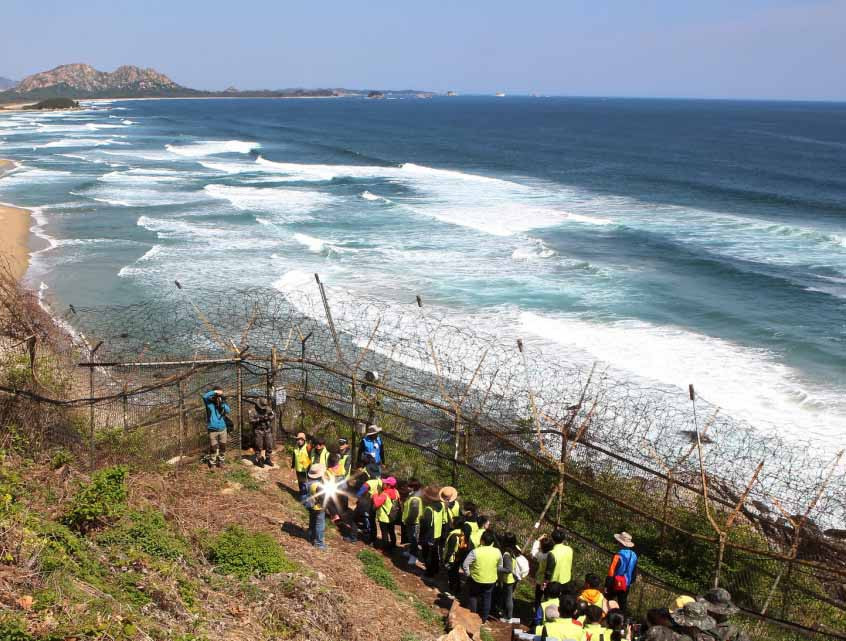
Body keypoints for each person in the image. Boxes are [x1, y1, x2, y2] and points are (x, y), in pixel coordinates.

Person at [462, 529, 502, 623]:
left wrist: (468, 574)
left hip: (476, 579)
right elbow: (500, 566)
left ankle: (472, 616)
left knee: (473, 596)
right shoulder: (497, 552)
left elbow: (465, 564)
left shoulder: (475, 552)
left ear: (482, 540)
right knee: (487, 598)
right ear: (492, 542)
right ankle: (483, 619)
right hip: (491, 580)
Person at [607, 531, 638, 614]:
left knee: (607, 600)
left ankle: (605, 617)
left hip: (615, 583)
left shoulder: (617, 556)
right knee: (622, 604)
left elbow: (611, 572)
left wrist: (607, 585)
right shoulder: (634, 555)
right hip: (626, 584)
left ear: (619, 543)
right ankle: (623, 621)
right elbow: (634, 572)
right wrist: (629, 582)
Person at [495, 531, 522, 622]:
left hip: (509, 579)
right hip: (513, 578)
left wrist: (497, 568)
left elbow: (508, 569)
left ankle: (508, 617)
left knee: (508, 597)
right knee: (507, 596)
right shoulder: (515, 549)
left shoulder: (506, 554)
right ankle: (506, 613)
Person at [419, 485, 445, 577]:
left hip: (429, 535)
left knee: (426, 554)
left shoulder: (429, 510)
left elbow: (425, 526)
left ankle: (429, 572)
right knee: (434, 553)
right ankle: (436, 569)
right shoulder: (441, 505)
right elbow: (443, 520)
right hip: (437, 534)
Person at [202, 389, 231, 468]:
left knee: (223, 446)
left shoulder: (222, 404)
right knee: (213, 447)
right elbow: (204, 396)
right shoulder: (209, 404)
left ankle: (221, 461)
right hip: (212, 429)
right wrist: (215, 392)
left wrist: (222, 403)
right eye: (216, 397)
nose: (218, 399)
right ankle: (213, 463)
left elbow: (228, 411)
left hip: (222, 428)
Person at [305, 463, 328, 550]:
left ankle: (311, 535)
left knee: (312, 521)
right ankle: (319, 543)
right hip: (319, 507)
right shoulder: (319, 486)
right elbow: (323, 498)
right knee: (320, 525)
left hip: (310, 505)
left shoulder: (309, 482)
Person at [374, 476, 400, 550]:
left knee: (384, 533)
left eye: (384, 483)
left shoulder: (385, 494)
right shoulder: (396, 492)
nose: (383, 484)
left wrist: (375, 495)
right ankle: (393, 544)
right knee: (392, 531)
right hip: (392, 516)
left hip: (384, 517)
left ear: (389, 485)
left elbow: (377, 503)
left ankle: (385, 548)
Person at [442, 515, 466, 597]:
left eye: (452, 521)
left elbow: (450, 550)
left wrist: (445, 560)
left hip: (452, 559)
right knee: (455, 574)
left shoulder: (453, 535)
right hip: (457, 558)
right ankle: (457, 589)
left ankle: (453, 591)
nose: (450, 522)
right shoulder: (461, 533)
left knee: (452, 575)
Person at [401, 479, 423, 566]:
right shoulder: (412, 496)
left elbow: (414, 513)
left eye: (409, 486)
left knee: (414, 540)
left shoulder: (415, 499)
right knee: (411, 539)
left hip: (413, 522)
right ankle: (410, 552)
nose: (407, 488)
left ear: (413, 488)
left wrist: (407, 521)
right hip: (410, 522)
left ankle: (414, 557)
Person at [249, 397, 275, 467]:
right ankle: (259, 459)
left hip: (267, 429)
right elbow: (250, 420)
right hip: (258, 430)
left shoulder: (268, 408)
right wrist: (259, 419)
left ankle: (268, 458)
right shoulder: (253, 410)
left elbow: (273, 415)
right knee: (258, 445)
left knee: (269, 445)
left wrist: (269, 418)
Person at [291, 432, 311, 500]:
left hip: (305, 470)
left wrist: (309, 470)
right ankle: (302, 495)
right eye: (298, 439)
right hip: (298, 469)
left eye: (301, 439)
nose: (299, 441)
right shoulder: (295, 447)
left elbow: (310, 458)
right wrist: (292, 466)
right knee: (300, 483)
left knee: (305, 485)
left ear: (304, 440)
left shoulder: (307, 447)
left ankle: (305, 498)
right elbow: (294, 457)